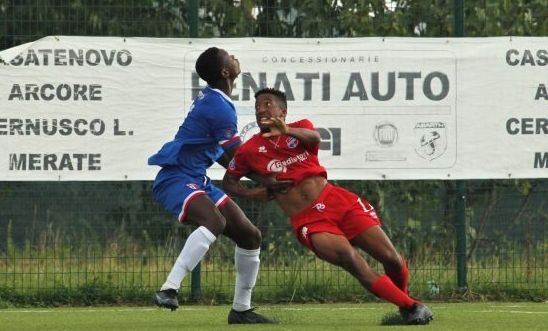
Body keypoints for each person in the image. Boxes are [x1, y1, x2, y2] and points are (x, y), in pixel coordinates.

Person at [221, 87, 434, 326]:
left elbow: (315, 139)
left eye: (268, 104)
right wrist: (253, 193)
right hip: (309, 221)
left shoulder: (301, 127)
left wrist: (287, 129)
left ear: (283, 111)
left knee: (391, 258)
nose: (261, 109)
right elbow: (230, 182)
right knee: (350, 259)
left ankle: (405, 307)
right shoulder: (249, 149)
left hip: (338, 201)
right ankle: (411, 306)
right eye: (258, 105)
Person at [148, 48, 284, 324]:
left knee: (250, 236)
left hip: (197, 179)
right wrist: (269, 180)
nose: (234, 56)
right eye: (228, 55)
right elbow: (238, 156)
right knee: (215, 221)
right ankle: (169, 288)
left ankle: (241, 310)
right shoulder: (218, 106)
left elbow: (226, 157)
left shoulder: (215, 99)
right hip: (175, 179)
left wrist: (255, 184)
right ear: (225, 72)